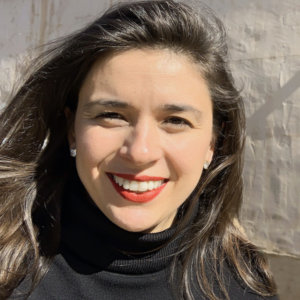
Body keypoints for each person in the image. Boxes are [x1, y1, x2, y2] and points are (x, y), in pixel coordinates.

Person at [0, 1, 278, 299]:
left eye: (175, 120)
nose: (140, 152)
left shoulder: (245, 283)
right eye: (111, 115)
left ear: (214, 143)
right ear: (72, 131)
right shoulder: (9, 270)